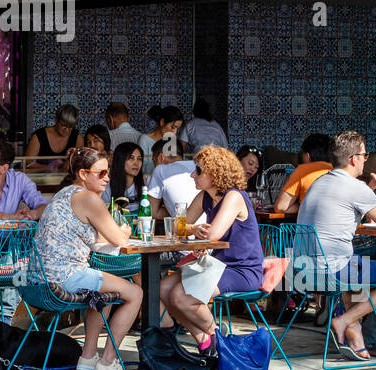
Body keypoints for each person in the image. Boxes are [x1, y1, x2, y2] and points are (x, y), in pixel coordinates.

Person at [34, 148, 143, 370]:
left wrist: (114, 234)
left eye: (108, 172)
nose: (107, 177)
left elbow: (92, 237)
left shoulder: (65, 193)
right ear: (83, 174)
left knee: (102, 291)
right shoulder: (88, 198)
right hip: (64, 278)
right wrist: (123, 230)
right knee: (135, 292)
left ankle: (88, 356)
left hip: (41, 278)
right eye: (101, 172)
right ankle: (107, 362)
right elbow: (120, 239)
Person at [297, 130, 376, 361]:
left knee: (355, 266)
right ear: (353, 159)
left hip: (302, 271)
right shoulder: (355, 188)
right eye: (364, 155)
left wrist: (371, 188)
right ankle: (345, 320)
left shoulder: (320, 182)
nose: (365, 160)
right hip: (332, 272)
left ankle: (355, 336)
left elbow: (347, 200)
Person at [159, 145, 264, 350]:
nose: (192, 175)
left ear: (215, 173)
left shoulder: (234, 196)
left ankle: (216, 336)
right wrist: (193, 227)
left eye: (198, 171)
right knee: (163, 289)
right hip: (216, 265)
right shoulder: (206, 196)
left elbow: (212, 235)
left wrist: (191, 230)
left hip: (241, 270)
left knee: (180, 297)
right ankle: (205, 339)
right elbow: (176, 226)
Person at [273, 133, 334, 215]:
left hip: (310, 226)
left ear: (307, 156)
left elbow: (280, 207)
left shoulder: (303, 170)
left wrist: (301, 205)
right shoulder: (338, 169)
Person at [146, 140, 198, 220]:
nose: (154, 166)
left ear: (161, 157)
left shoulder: (160, 169)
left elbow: (152, 212)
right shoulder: (197, 165)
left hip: (183, 228)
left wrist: (175, 211)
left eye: (154, 161)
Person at [24, 104, 82, 168]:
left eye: (71, 127)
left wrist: (67, 164)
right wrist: (49, 167)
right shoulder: (39, 136)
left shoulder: (77, 137)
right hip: (41, 176)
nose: (67, 130)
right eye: (63, 126)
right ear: (56, 120)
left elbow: (79, 163)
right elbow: (28, 162)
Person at [137, 105, 184, 180]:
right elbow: (141, 166)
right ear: (162, 122)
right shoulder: (144, 139)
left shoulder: (172, 141)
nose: (174, 132)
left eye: (177, 129)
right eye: (173, 127)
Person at [102, 141, 145, 207]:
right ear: (120, 160)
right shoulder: (107, 188)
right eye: (131, 158)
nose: (136, 163)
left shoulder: (145, 186)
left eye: (139, 159)